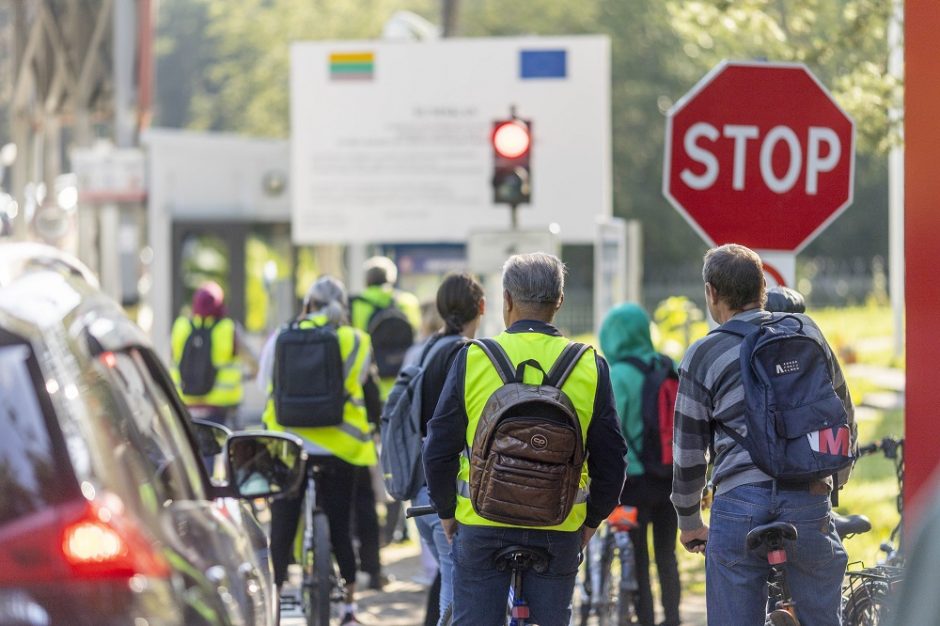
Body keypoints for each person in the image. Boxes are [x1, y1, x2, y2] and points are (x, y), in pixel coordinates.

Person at [423, 253, 627, 626]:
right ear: (559, 302)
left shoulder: (474, 358)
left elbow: (438, 448)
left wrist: (448, 514)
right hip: (559, 525)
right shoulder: (588, 365)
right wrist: (589, 523)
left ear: (506, 300)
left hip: (481, 521)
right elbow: (612, 461)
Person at [671, 244, 855, 626]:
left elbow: (689, 453)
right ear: (762, 287)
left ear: (712, 293)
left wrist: (689, 521)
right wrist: (834, 481)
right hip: (808, 496)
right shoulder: (806, 331)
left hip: (740, 504)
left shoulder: (703, 353)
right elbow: (842, 411)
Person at [260, 277, 379, 626]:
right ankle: (348, 610)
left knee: (282, 523)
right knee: (342, 526)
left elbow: (265, 383)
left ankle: (276, 603)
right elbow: (361, 385)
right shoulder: (357, 340)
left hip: (288, 446)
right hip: (342, 448)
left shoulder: (281, 336)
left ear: (308, 303)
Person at [599, 303, 680, 626]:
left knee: (636, 558)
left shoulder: (617, 374)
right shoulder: (667, 365)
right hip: (669, 476)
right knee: (667, 555)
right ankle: (672, 618)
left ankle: (645, 618)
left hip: (630, 484)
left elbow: (610, 430)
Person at [411, 272, 485, 624]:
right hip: (448, 494)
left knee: (448, 583)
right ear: (481, 307)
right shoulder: (465, 354)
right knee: (454, 599)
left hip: (421, 491)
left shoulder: (431, 348)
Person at [170, 281, 256, 428]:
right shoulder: (229, 329)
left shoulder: (180, 327)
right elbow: (254, 364)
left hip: (186, 406)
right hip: (223, 408)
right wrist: (247, 376)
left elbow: (171, 360)